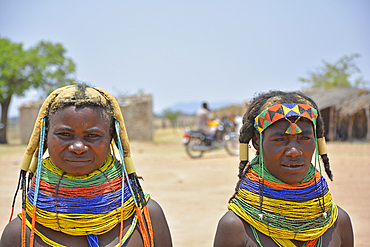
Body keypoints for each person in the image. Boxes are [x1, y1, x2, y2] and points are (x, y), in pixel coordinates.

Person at [0, 84, 172, 247]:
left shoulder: (146, 218)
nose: (78, 147)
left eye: (92, 136)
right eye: (65, 134)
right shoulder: (19, 234)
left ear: (111, 138)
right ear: (45, 137)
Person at [214, 90, 353, 247]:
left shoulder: (339, 223)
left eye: (305, 138)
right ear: (256, 142)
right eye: (280, 139)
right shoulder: (235, 227)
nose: (294, 151)